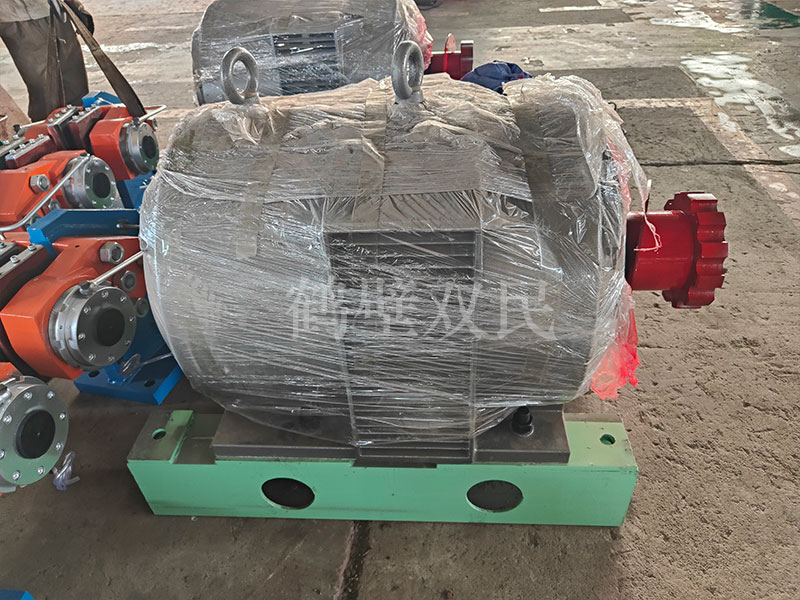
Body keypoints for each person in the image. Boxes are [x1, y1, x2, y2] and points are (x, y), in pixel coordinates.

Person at [0, 0, 92, 120]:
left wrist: (74, 5)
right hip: (20, 17)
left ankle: (82, 127)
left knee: (75, 88)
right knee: (46, 95)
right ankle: (49, 129)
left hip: (54, 10)